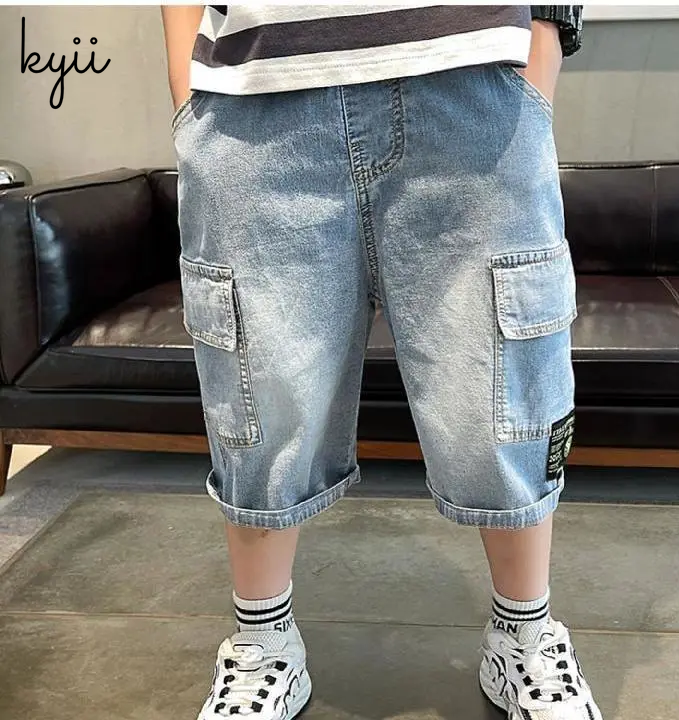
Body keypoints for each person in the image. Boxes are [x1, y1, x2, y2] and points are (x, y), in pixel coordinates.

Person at [161, 5, 601, 719]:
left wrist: (543, 45)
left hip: (472, 84)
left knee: (503, 393)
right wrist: (188, 93)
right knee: (260, 398)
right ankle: (262, 640)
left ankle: (524, 634)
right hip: (255, 104)